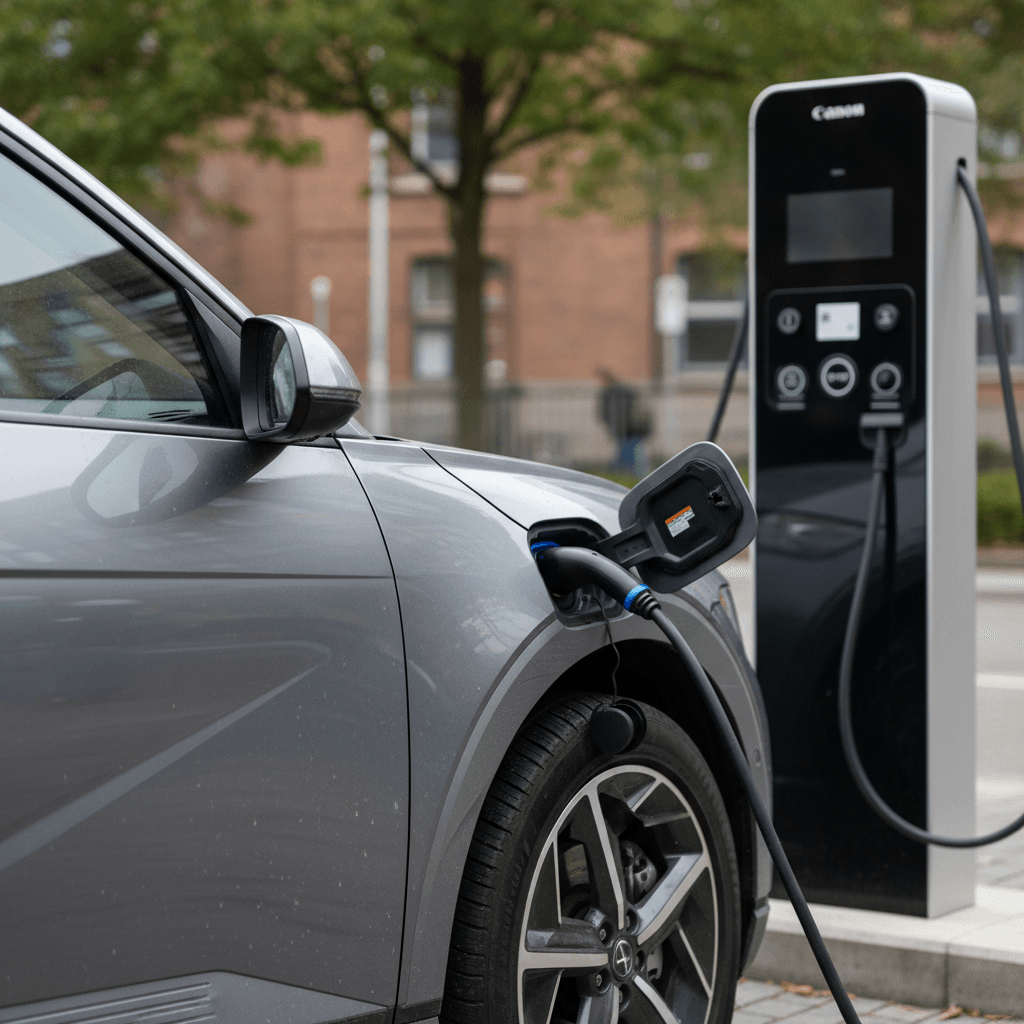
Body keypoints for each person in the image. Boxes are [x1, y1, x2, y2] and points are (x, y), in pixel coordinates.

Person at [596, 368, 651, 477]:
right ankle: (631, 476)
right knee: (632, 456)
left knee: (630, 458)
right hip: (631, 430)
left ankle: (631, 476)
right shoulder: (622, 392)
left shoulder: (614, 394)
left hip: (629, 431)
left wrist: (616, 429)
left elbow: (613, 415)